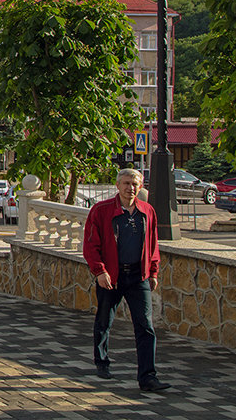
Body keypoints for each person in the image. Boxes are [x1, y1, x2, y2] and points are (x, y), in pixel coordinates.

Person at [82, 168, 169, 392]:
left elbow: (153, 244)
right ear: (118, 186)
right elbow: (91, 245)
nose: (130, 188)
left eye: (135, 184)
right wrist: (100, 271)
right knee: (104, 320)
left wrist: (153, 271)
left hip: (138, 276)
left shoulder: (147, 211)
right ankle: (102, 362)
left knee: (145, 326)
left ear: (140, 187)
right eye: (127, 183)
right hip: (111, 276)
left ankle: (148, 377)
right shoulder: (101, 211)